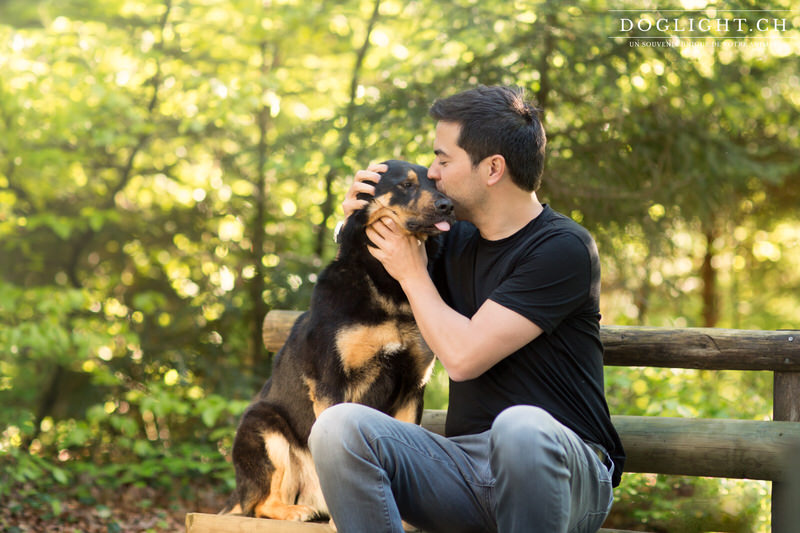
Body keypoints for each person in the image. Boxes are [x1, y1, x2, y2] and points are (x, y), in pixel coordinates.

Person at [308, 85, 624, 533]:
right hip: (464, 474)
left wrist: (414, 275)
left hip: (565, 472)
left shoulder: (562, 248)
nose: (432, 174)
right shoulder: (445, 236)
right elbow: (361, 275)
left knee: (521, 428)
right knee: (339, 428)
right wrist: (361, 215)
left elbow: (463, 358)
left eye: (443, 159)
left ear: (493, 168)